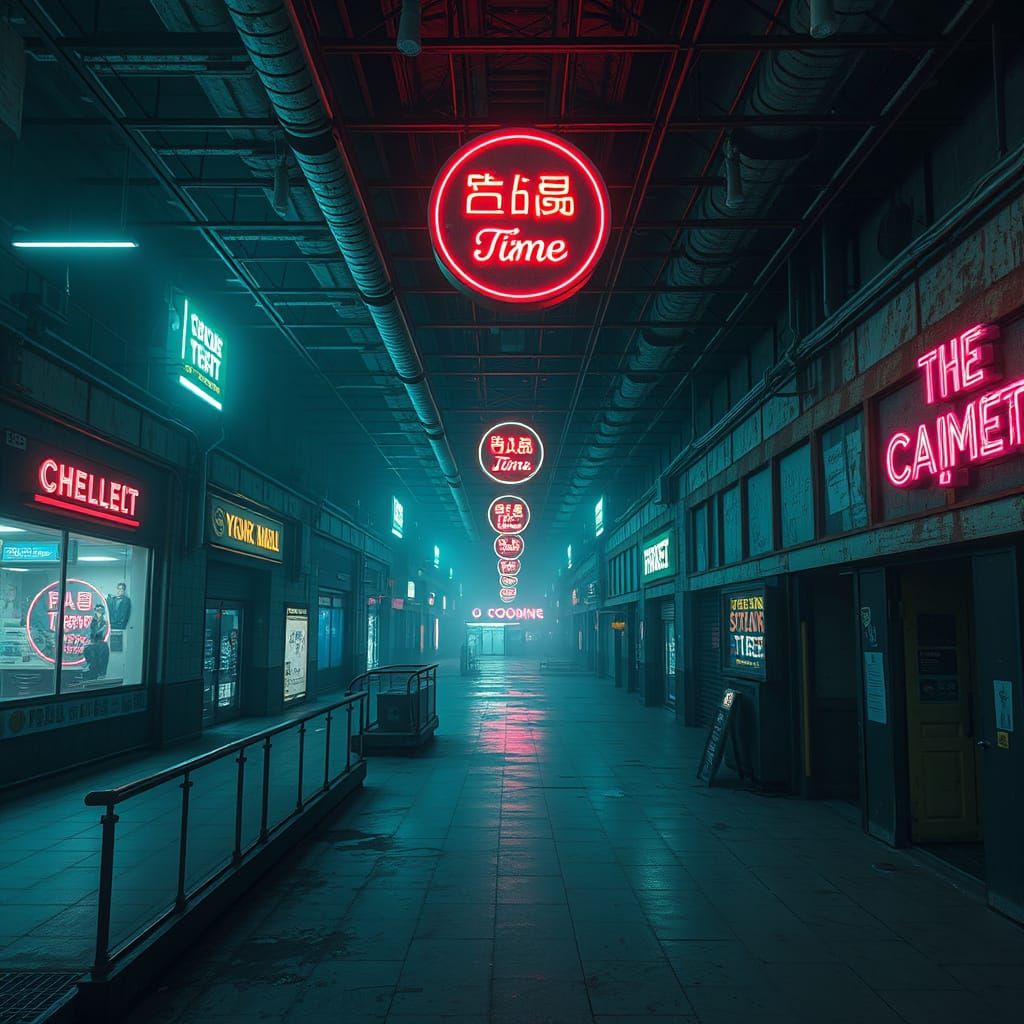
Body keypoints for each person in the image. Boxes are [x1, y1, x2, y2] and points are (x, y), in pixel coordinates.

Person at [82, 605, 110, 680]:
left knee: (101, 658)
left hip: (100, 644)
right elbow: (90, 633)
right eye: (98, 610)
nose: (99, 612)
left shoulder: (105, 622)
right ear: (95, 611)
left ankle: (99, 674)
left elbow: (101, 635)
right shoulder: (91, 621)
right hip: (93, 644)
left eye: (101, 610)